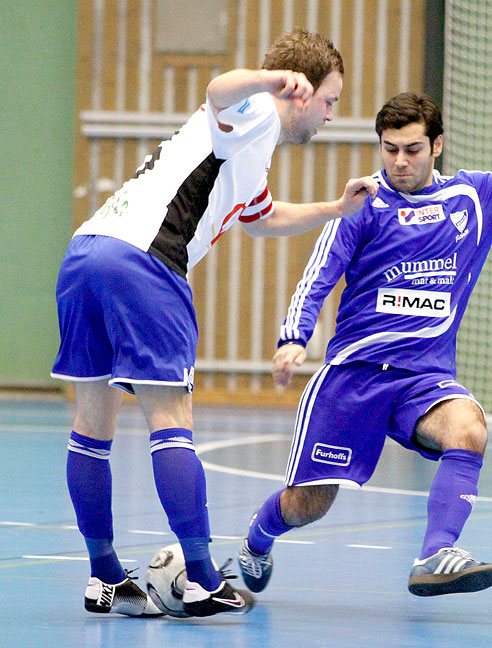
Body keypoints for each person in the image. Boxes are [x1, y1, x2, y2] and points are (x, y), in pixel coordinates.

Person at [236, 78, 492, 597]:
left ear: (437, 145)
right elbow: (319, 273)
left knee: (469, 429)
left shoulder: (474, 197)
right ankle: (257, 538)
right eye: (389, 150)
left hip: (423, 379)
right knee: (306, 505)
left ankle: (436, 553)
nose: (399, 162)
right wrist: (293, 336)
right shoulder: (361, 203)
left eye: (411, 150)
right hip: (354, 376)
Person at [50, 28, 377, 618]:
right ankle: (200, 579)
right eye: (330, 100)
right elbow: (219, 88)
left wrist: (334, 209)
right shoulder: (253, 111)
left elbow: (259, 218)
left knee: (92, 424)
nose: (332, 115)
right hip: (145, 261)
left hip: (88, 251)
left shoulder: (250, 148)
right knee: (170, 422)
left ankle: (106, 579)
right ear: (300, 91)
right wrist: (267, 77)